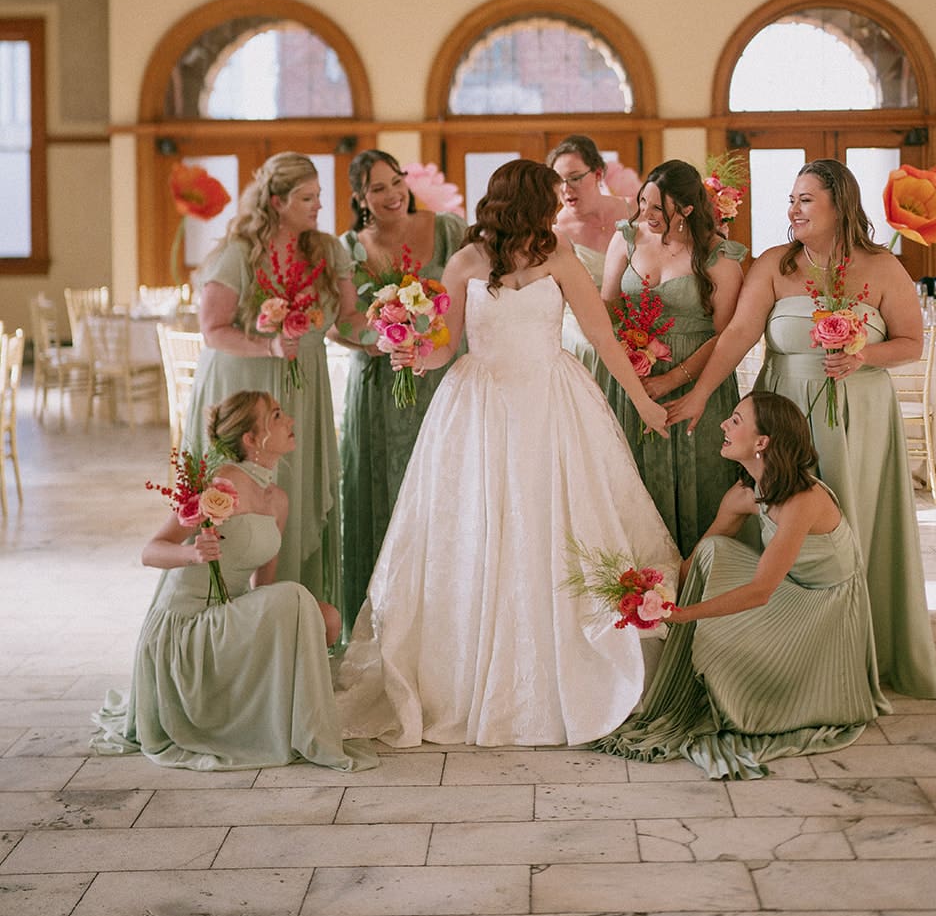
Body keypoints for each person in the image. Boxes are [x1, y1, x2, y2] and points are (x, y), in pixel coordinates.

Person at [335, 158, 679, 749]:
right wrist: (414, 355)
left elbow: (600, 334)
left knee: (560, 523)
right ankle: (466, 683)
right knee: (479, 529)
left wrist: (643, 404)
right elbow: (446, 348)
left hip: (553, 400)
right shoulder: (467, 261)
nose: (558, 204)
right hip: (481, 405)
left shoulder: (560, 256)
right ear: (524, 202)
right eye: (549, 197)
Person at [665, 158, 936, 699]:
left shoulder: (884, 267)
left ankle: (861, 649)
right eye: (790, 199)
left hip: (859, 419)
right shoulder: (773, 264)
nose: (792, 209)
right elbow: (738, 336)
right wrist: (697, 394)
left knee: (851, 527)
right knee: (779, 523)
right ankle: (777, 651)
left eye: (805, 199)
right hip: (783, 408)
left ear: (840, 204)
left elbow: (912, 343)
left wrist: (865, 354)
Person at [594, 391, 889, 780]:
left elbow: (761, 591)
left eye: (735, 420)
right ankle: (714, 670)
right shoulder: (744, 495)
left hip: (825, 610)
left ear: (762, 442)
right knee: (713, 550)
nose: (723, 425)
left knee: (718, 571)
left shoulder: (803, 501)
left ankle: (750, 688)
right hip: (789, 592)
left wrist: (685, 616)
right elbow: (696, 562)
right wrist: (653, 593)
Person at [91, 390, 378, 773]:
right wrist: (193, 554)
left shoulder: (278, 500)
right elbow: (151, 551)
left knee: (322, 617)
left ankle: (280, 718)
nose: (290, 421)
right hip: (185, 629)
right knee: (296, 599)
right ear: (251, 437)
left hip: (228, 619)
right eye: (277, 416)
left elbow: (264, 587)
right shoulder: (222, 482)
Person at [183, 152, 359, 606]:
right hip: (244, 385)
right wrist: (269, 347)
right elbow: (212, 329)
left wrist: (396, 334)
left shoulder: (327, 250)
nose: (318, 205)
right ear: (277, 202)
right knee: (237, 496)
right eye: (307, 197)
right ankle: (224, 616)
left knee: (294, 493)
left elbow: (350, 318)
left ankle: (295, 616)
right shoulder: (237, 254)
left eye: (319, 195)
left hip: (303, 387)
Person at [338, 150, 466, 635]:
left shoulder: (449, 230)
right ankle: (385, 621)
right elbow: (344, 319)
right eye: (377, 189)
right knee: (384, 489)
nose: (392, 195)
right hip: (380, 386)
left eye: (396, 182)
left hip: (440, 379)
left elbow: (479, 285)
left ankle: (447, 620)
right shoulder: (349, 246)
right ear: (360, 198)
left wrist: (426, 340)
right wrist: (389, 335)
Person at [600, 160, 746, 554]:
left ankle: (697, 580)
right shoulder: (626, 239)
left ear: (685, 209)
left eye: (657, 209)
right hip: (633, 379)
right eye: (642, 203)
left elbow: (726, 335)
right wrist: (629, 351)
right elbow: (607, 306)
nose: (646, 215)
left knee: (701, 481)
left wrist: (673, 379)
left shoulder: (720, 256)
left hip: (698, 380)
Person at [548, 134, 634, 372]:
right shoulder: (556, 233)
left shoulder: (633, 210)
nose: (566, 189)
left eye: (575, 178)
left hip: (640, 324)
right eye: (558, 181)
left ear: (597, 174)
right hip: (584, 334)